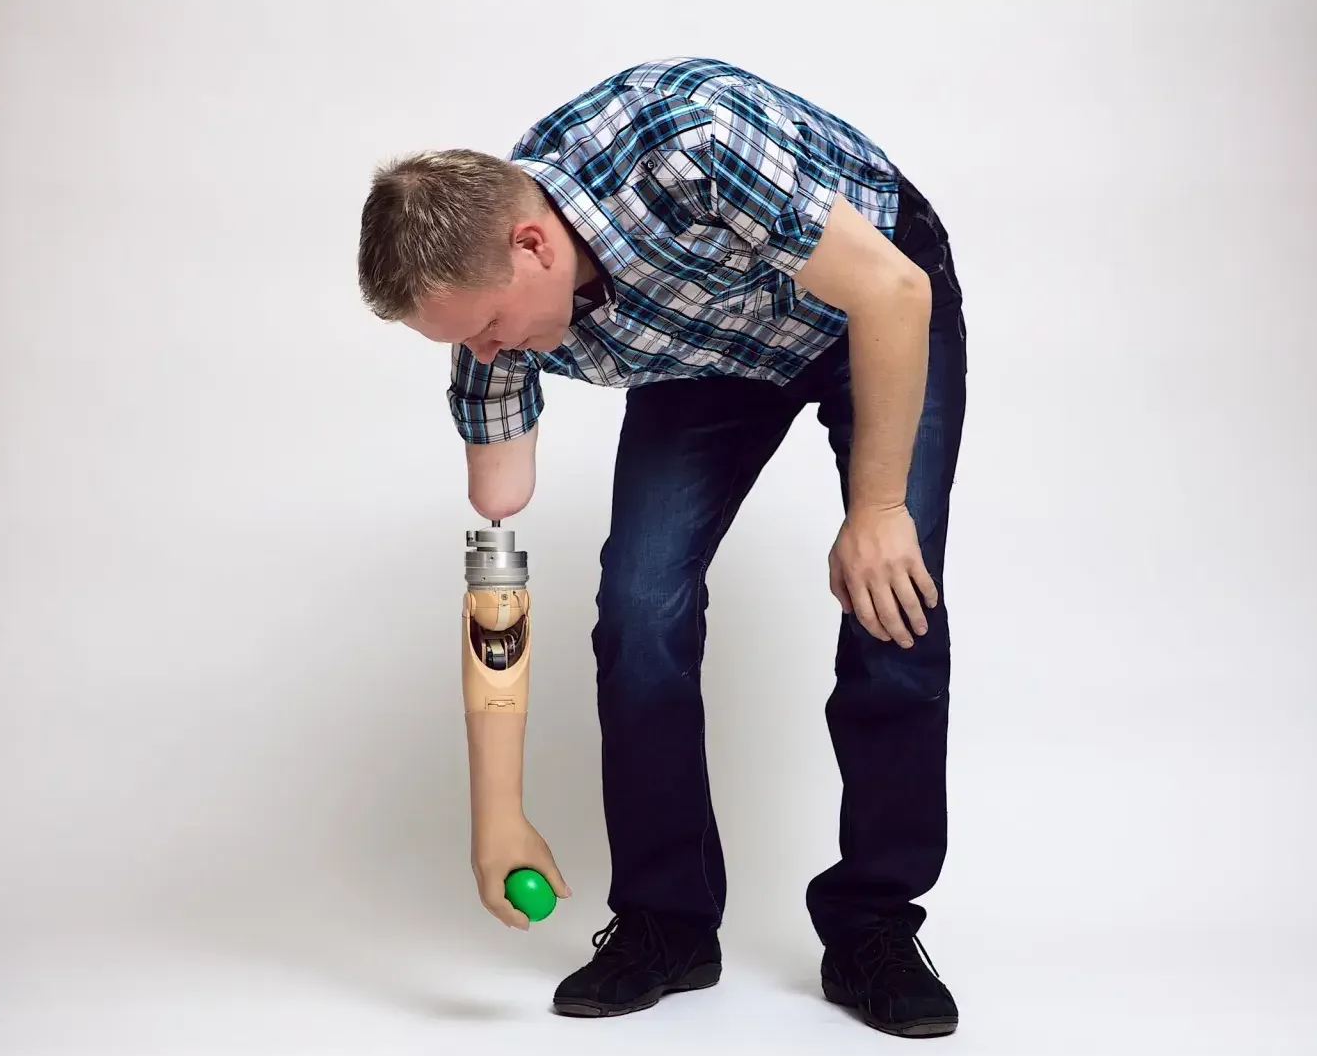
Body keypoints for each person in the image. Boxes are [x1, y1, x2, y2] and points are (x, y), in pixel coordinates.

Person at [356, 57, 967, 1039]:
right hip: (711, 349)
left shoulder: (687, 151)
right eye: (459, 344)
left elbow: (890, 291)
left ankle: (873, 926)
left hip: (872, 303)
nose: (487, 357)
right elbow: (495, 544)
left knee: (888, 602)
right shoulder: (494, 334)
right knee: (638, 609)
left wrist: (877, 507)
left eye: (490, 329)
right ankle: (665, 923)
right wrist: (495, 813)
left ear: (531, 244)